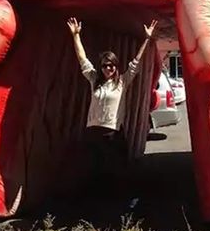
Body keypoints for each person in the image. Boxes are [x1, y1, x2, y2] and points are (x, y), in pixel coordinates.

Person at [67, 17, 158, 202]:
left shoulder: (122, 82)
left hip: (112, 133)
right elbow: (82, 59)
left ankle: (124, 202)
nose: (108, 68)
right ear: (101, 68)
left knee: (119, 169)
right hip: (93, 131)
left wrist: (147, 39)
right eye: (105, 65)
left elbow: (135, 63)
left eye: (111, 65)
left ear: (116, 67)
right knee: (94, 169)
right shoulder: (95, 80)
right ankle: (95, 204)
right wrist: (76, 36)